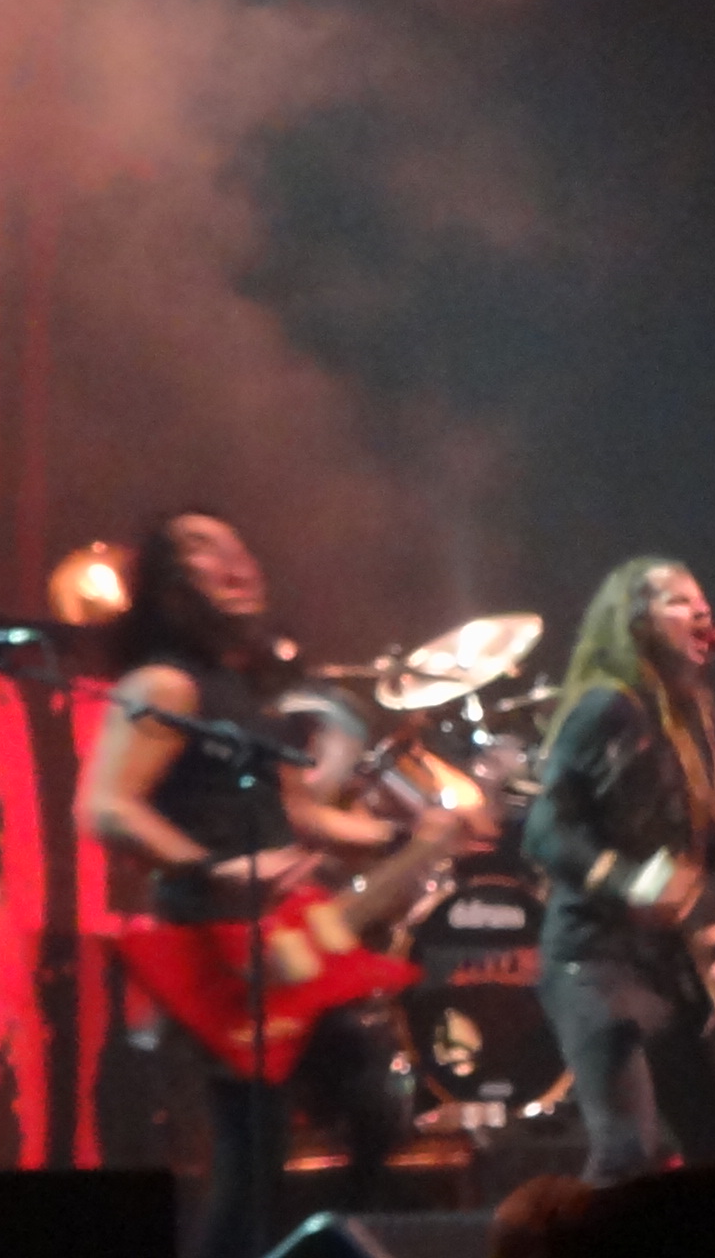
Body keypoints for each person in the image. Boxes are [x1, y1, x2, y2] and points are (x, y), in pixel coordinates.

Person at [78, 510, 481, 1258]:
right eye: (204, 548)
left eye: (239, 544)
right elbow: (105, 805)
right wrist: (211, 867)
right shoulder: (165, 683)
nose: (235, 558)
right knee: (250, 1159)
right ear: (168, 587)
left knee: (372, 1107)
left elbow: (298, 816)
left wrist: (414, 834)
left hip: (275, 949)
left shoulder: (244, 690)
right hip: (211, 950)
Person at [524, 555, 715, 1184]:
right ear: (636, 622)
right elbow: (545, 829)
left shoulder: (710, 732)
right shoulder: (606, 709)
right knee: (627, 1150)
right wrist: (627, 880)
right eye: (678, 601)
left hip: (669, 967)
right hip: (594, 958)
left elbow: (711, 858)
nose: (701, 611)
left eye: (702, 601)